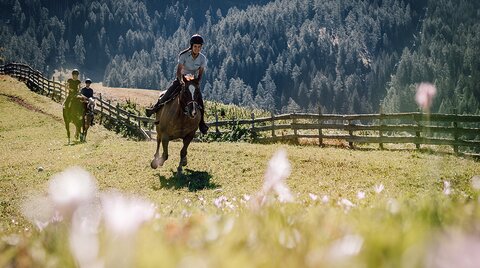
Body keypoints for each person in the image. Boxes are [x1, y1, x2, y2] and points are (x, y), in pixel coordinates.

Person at [146, 34, 209, 134]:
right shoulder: (183, 55)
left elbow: (200, 74)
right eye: (195, 46)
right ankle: (155, 108)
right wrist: (181, 81)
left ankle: (202, 123)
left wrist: (197, 83)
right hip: (182, 79)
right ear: (191, 46)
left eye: (199, 47)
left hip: (192, 81)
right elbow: (179, 71)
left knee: (200, 101)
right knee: (168, 94)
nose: (197, 49)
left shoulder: (202, 59)